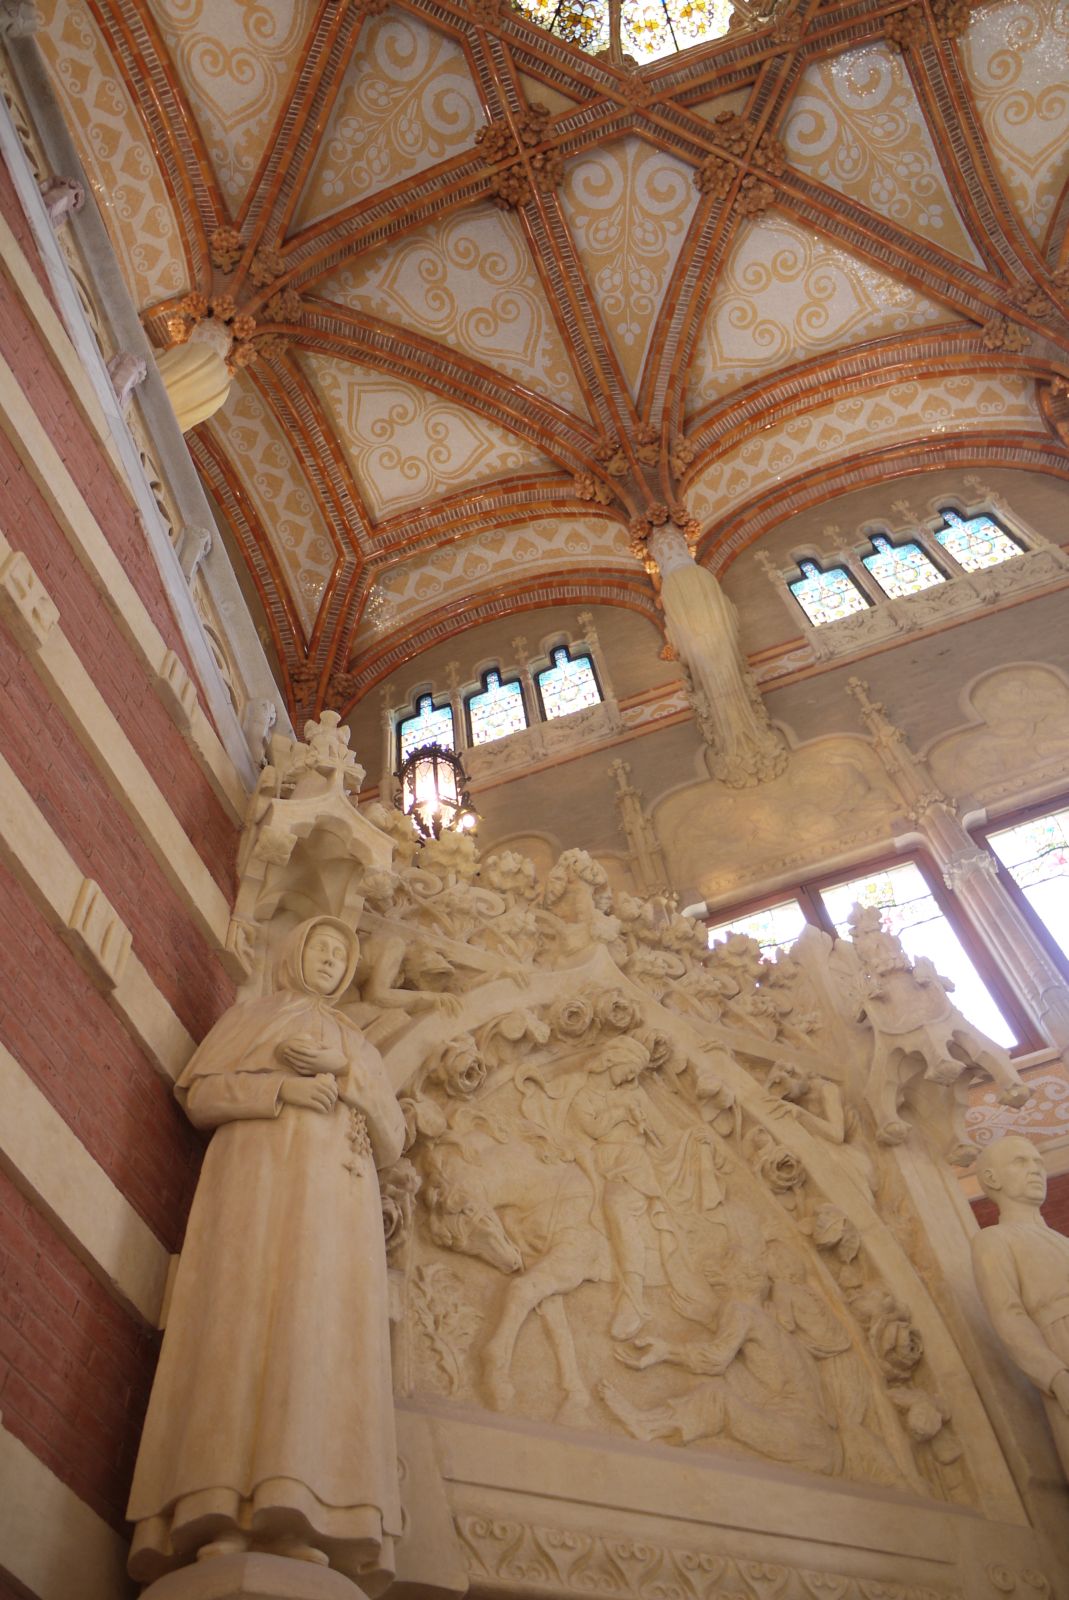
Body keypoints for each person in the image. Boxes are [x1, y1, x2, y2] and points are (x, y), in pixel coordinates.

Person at [126, 916, 406, 1588]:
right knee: (242, 1331)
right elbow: (201, 1094)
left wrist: (344, 1075)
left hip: (335, 1223)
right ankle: (217, 1510)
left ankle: (305, 1519)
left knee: (316, 1344)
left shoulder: (357, 1045)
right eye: (321, 948)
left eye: (341, 954)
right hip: (255, 1203)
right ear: (293, 954)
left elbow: (392, 1136)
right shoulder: (253, 1017)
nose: (332, 960)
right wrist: (280, 1089)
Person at [972, 1134, 1069, 1480]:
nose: (1035, 1170)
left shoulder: (1062, 1241)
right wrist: (1055, 1376)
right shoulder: (994, 1240)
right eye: (1021, 1162)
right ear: (992, 1178)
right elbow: (1009, 1317)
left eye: (1039, 1163)